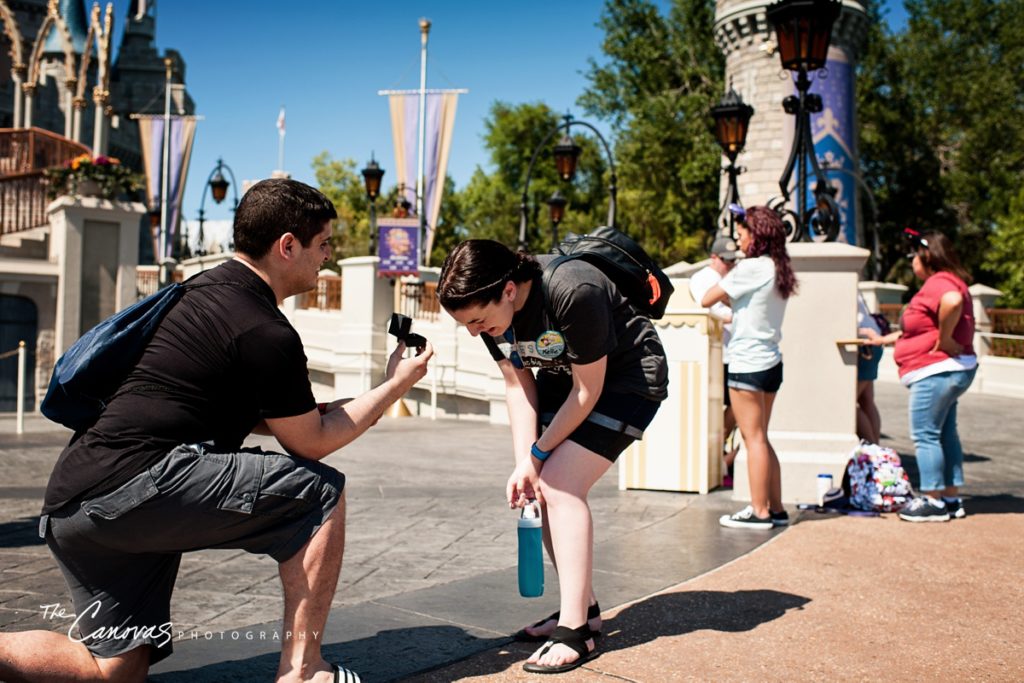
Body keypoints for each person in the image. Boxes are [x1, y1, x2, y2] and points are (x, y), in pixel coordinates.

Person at [0, 178, 433, 683]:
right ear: (287, 245)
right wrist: (398, 386)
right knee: (320, 495)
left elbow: (289, 420)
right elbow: (311, 442)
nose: (328, 258)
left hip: (75, 503)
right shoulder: (264, 329)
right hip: (134, 488)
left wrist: (379, 392)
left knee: (114, 671)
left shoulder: (198, 293)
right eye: (324, 245)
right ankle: (304, 670)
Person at [437, 240, 667, 674]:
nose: (474, 331)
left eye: (478, 320)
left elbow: (589, 390)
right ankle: (586, 608)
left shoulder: (572, 289)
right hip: (567, 379)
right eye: (466, 324)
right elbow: (517, 383)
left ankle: (576, 632)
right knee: (539, 489)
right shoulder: (492, 319)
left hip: (627, 379)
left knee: (561, 484)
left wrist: (540, 455)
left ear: (508, 290)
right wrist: (525, 461)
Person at [701, 206, 797, 530]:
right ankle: (777, 508)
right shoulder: (778, 268)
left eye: (742, 236)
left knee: (752, 438)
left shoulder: (751, 268)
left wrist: (729, 287)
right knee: (762, 438)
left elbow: (707, 298)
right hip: (770, 361)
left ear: (757, 236)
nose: (739, 243)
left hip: (747, 362)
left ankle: (759, 511)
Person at [876, 229, 976, 522]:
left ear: (926, 256)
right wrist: (886, 339)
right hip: (951, 370)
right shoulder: (950, 279)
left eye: (913, 256)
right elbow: (923, 327)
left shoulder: (940, 282)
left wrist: (945, 340)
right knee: (945, 434)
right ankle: (950, 497)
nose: (911, 262)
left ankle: (931, 500)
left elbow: (952, 301)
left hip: (936, 371)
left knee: (925, 435)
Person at [689, 235, 743, 485]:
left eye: (732, 261)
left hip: (733, 353)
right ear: (713, 257)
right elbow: (717, 313)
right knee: (726, 406)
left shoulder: (734, 275)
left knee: (737, 407)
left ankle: (721, 453)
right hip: (716, 355)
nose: (730, 265)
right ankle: (718, 455)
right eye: (725, 261)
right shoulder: (702, 279)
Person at [855, 292, 885, 444]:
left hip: (863, 346)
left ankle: (873, 450)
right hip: (871, 345)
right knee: (866, 401)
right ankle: (876, 448)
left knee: (850, 404)